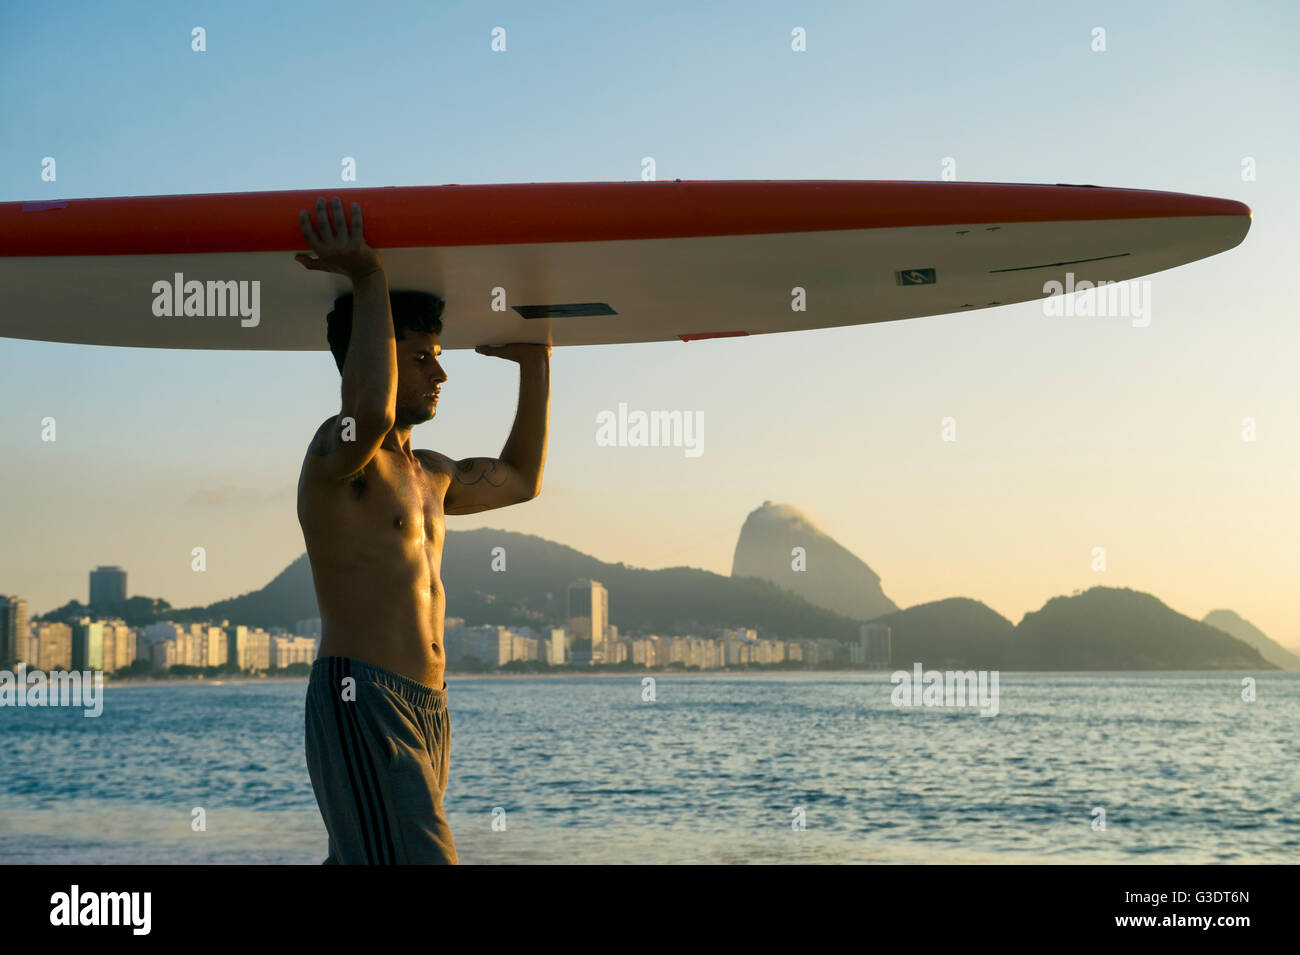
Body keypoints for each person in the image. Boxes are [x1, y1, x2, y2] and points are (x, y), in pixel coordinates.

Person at [294, 196, 550, 864]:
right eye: (421, 357)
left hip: (429, 706)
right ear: (368, 358)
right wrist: (368, 276)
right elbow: (368, 409)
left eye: (438, 355)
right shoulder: (338, 457)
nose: (441, 373)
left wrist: (536, 363)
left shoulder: (432, 475)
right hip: (362, 696)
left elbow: (523, 478)